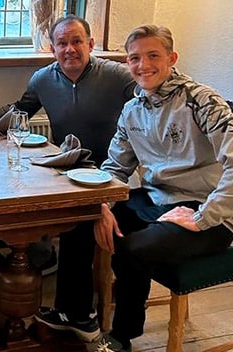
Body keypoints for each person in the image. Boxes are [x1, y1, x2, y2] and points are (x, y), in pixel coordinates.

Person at [0, 15, 136, 342]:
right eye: (62, 43)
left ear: (90, 44)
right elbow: (20, 112)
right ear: (52, 48)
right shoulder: (43, 78)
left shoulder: (118, 76)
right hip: (68, 170)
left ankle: (80, 316)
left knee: (77, 223)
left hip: (112, 174)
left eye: (77, 41)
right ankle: (52, 278)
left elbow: (153, 98)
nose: (70, 49)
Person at [93, 24, 233, 352]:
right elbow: (115, 167)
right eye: (134, 58)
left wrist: (202, 217)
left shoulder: (202, 101)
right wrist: (102, 205)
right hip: (158, 199)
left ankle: (122, 336)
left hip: (208, 210)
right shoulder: (132, 110)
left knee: (132, 249)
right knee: (88, 220)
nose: (143, 65)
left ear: (172, 58)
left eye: (153, 55)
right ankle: (81, 317)